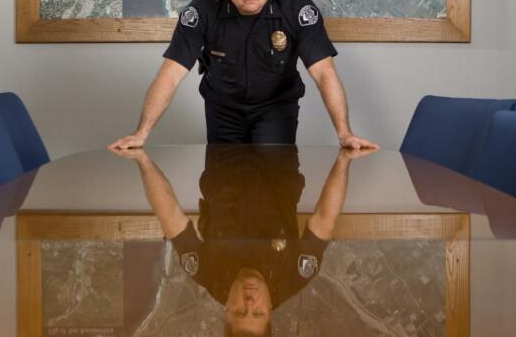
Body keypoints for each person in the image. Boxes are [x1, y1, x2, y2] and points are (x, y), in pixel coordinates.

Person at [109, 0, 378, 149]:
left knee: (275, 185)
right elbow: (171, 73)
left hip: (275, 108)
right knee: (222, 190)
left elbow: (323, 72)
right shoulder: (202, 10)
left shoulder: (297, 8)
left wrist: (344, 133)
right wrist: (141, 133)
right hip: (223, 110)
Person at [110, 144, 375, 336]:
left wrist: (143, 160)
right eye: (257, 313)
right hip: (276, 155)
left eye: (239, 312)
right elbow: (324, 220)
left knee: (227, 75)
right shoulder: (295, 276)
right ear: (271, 311)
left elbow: (171, 217)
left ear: (226, 310)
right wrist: (344, 160)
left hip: (224, 153)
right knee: (270, 79)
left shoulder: (207, 272)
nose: (249, 302)